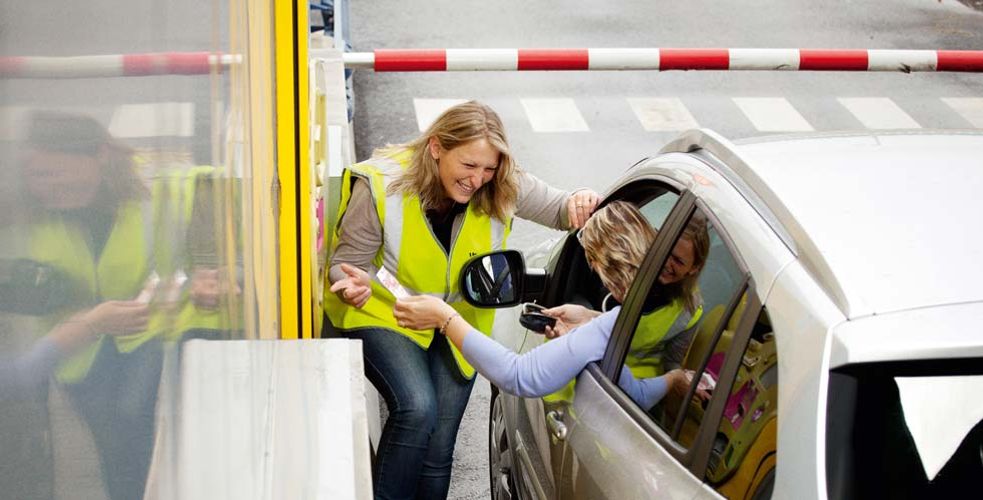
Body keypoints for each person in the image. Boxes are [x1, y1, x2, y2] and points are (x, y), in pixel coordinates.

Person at [323, 100, 600, 500]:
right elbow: (346, 264)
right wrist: (353, 284)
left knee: (438, 451)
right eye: (469, 166)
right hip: (388, 312)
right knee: (417, 409)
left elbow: (563, 209)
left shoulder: (501, 183)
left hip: (456, 321)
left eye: (488, 169)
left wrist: (583, 198)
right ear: (436, 147)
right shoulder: (380, 182)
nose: (478, 180)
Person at [393, 201, 709, 412]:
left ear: (601, 260)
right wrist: (674, 379)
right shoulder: (616, 317)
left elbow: (519, 375)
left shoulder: (607, 328)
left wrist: (444, 317)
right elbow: (635, 392)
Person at [11, 110, 168, 500]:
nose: (41, 186)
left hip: (149, 347)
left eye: (50, 173)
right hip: (76, 361)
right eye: (32, 176)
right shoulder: (24, 216)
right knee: (119, 461)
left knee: (150, 447)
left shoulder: (153, 196)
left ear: (99, 155)